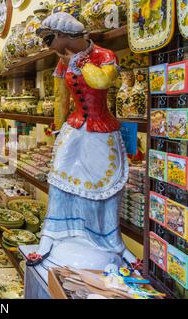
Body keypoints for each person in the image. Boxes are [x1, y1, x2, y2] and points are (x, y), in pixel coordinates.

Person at [34, 12, 134, 264]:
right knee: (60, 178)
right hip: (74, 128)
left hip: (101, 130)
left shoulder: (105, 56)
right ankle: (53, 234)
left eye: (48, 39)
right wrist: (58, 129)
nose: (47, 45)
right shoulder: (60, 61)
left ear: (63, 36)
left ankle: (107, 239)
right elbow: (60, 98)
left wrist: (78, 62)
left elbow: (101, 82)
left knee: (102, 184)